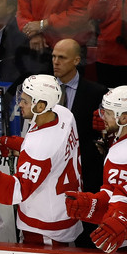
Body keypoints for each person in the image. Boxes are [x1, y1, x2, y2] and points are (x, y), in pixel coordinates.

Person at [0, 75, 83, 247]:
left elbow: (16, 192)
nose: (20, 104)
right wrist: (20, 144)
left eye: (25, 101)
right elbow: (54, 155)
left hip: (44, 227)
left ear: (41, 106)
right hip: (64, 211)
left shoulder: (39, 147)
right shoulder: (64, 115)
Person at [64, 85, 127, 248]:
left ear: (123, 118)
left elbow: (116, 197)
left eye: (108, 113)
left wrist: (90, 204)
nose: (103, 117)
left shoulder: (123, 157)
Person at [52, 38, 106, 195]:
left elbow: (98, 137)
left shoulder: (96, 93)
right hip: (49, 169)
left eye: (61, 57)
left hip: (85, 172)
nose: (55, 62)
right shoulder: (43, 89)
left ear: (76, 60)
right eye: (54, 56)